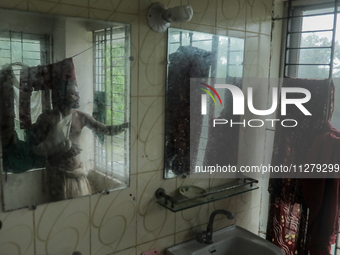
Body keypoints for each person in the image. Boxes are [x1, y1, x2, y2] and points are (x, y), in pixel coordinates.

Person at [32, 80, 129, 201]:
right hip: (57, 176)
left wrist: (125, 125)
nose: (78, 97)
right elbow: (36, 148)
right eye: (73, 94)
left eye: (77, 93)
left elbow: (105, 130)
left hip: (78, 175)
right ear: (62, 95)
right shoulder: (47, 118)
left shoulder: (81, 117)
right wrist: (63, 148)